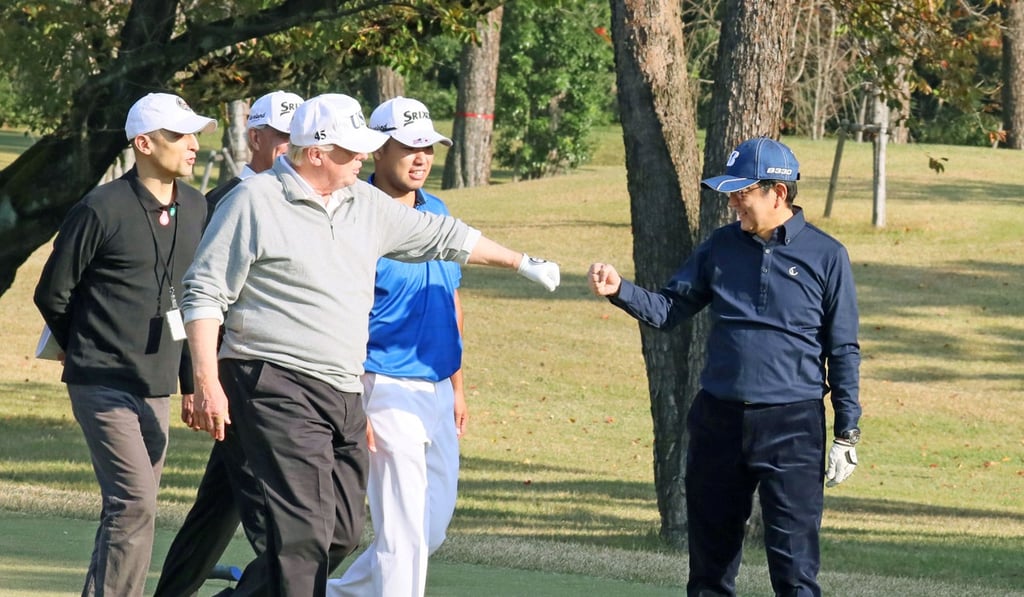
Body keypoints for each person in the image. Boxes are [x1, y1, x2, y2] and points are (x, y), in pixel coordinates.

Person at [180, 93, 559, 597]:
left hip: (340, 388)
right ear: (315, 152)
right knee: (303, 536)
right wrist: (207, 382)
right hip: (272, 380)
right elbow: (203, 294)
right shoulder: (254, 203)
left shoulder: (363, 203)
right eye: (351, 150)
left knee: (340, 534)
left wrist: (520, 261)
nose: (361, 158)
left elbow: (444, 236)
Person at [588, 137, 861, 597]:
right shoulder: (720, 247)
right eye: (731, 193)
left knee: (795, 575)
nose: (734, 203)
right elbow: (669, 309)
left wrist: (847, 432)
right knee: (710, 573)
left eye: (742, 193)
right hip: (719, 420)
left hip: (793, 425)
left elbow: (844, 349)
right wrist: (621, 290)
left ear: (778, 193)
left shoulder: (827, 256)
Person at [33, 92, 216, 596]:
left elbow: (192, 301)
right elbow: (52, 292)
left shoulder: (197, 207)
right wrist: (85, 349)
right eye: (179, 135)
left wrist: (190, 383)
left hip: (155, 383)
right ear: (144, 143)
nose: (193, 145)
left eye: (194, 134)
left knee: (132, 508)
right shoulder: (100, 208)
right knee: (134, 504)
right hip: (102, 382)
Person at [153, 89, 304, 597]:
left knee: (217, 511)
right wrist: (195, 381)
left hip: (276, 381)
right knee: (278, 525)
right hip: (236, 380)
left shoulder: (303, 203)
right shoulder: (216, 204)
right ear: (255, 138)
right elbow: (185, 296)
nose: (290, 146)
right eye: (281, 137)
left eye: (298, 137)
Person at [327, 96, 463, 597]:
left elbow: (450, 300)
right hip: (381, 382)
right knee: (402, 530)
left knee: (429, 529)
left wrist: (459, 386)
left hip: (437, 389)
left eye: (428, 147)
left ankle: (334, 594)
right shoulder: (352, 214)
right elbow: (339, 315)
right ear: (379, 150)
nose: (422, 158)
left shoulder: (439, 210)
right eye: (409, 147)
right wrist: (352, 401)